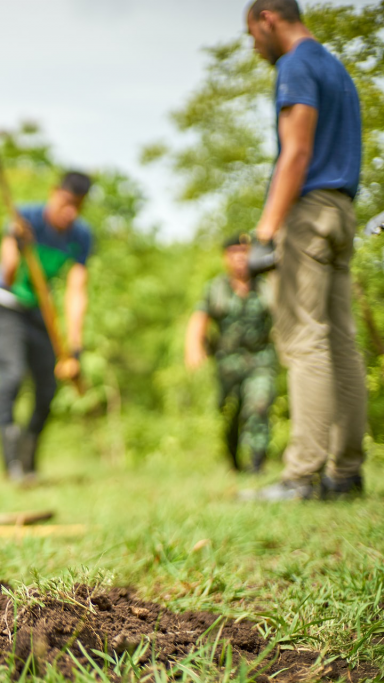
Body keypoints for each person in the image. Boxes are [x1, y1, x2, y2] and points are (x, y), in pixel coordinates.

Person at [243, 0, 366, 500]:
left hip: (309, 213)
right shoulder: (334, 67)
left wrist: (267, 231)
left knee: (303, 339)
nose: (253, 45)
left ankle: (301, 475)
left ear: (268, 17)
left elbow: (296, 150)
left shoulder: (296, 65)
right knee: (340, 342)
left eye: (251, 33)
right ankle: (346, 473)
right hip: (341, 210)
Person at [0, 171, 92, 482]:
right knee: (12, 375)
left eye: (79, 206)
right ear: (54, 192)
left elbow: (76, 290)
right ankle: (12, 465)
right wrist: (17, 245)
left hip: (40, 312)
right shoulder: (25, 218)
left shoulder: (80, 235)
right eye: (67, 202)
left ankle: (28, 460)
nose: (71, 212)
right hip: (6, 302)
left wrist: (74, 345)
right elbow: (7, 274)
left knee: (47, 389)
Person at [185, 234, 277, 473]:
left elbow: (282, 316)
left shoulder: (266, 286)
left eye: (244, 252)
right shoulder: (216, 288)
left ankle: (257, 464)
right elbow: (200, 318)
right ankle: (234, 461)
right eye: (234, 253)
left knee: (259, 405)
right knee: (230, 413)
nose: (239, 258)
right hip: (228, 363)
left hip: (260, 359)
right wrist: (194, 347)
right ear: (225, 257)